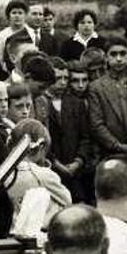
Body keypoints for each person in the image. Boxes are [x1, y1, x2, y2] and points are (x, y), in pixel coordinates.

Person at [3, 118, 72, 229]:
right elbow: (67, 200)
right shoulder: (44, 175)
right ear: (41, 147)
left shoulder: (4, 174)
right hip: (41, 231)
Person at [87, 37, 127, 162]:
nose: (118, 59)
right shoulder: (96, 87)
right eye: (113, 54)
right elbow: (97, 123)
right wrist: (117, 145)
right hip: (109, 153)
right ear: (106, 57)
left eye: (123, 54)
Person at [45, 60, 94, 203]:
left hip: (76, 168)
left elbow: (86, 136)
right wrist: (55, 163)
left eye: (66, 78)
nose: (62, 82)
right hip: (52, 167)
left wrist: (78, 161)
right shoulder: (42, 102)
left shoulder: (76, 103)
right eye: (58, 78)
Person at [0, 0, 35, 67]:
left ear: (25, 15)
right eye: (14, 13)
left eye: (20, 13)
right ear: (9, 16)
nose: (17, 16)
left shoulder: (32, 33)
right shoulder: (2, 35)